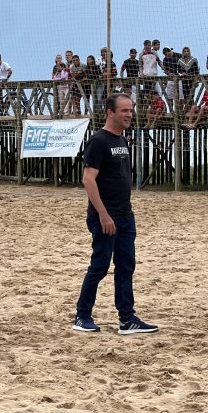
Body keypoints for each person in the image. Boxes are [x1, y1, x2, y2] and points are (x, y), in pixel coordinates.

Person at [73, 93, 158, 335]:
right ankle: (82, 315)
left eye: (131, 110)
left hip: (125, 215)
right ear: (110, 112)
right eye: (124, 111)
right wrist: (103, 214)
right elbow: (88, 180)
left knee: (126, 267)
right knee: (99, 266)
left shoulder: (121, 140)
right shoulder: (98, 141)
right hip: (105, 217)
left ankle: (127, 319)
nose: (129, 115)